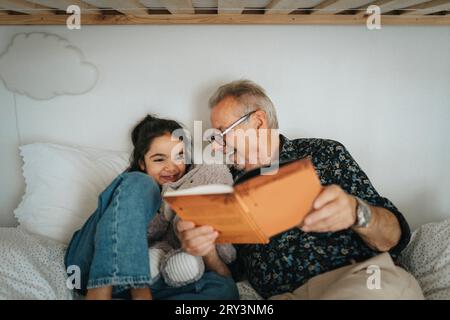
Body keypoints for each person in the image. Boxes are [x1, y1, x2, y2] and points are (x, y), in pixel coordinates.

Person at [177, 80, 424, 299]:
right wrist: (207, 251)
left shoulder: (323, 154)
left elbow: (394, 238)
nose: (218, 147)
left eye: (222, 134)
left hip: (359, 278)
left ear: (259, 121)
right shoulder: (226, 188)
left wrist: (356, 211)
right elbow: (231, 279)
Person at [64, 114, 239, 300]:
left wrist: (205, 247)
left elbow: (223, 273)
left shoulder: (192, 187)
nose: (170, 167)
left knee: (224, 288)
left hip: (149, 282)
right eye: (158, 159)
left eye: (178, 156)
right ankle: (109, 290)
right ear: (142, 163)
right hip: (89, 269)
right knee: (141, 183)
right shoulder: (133, 183)